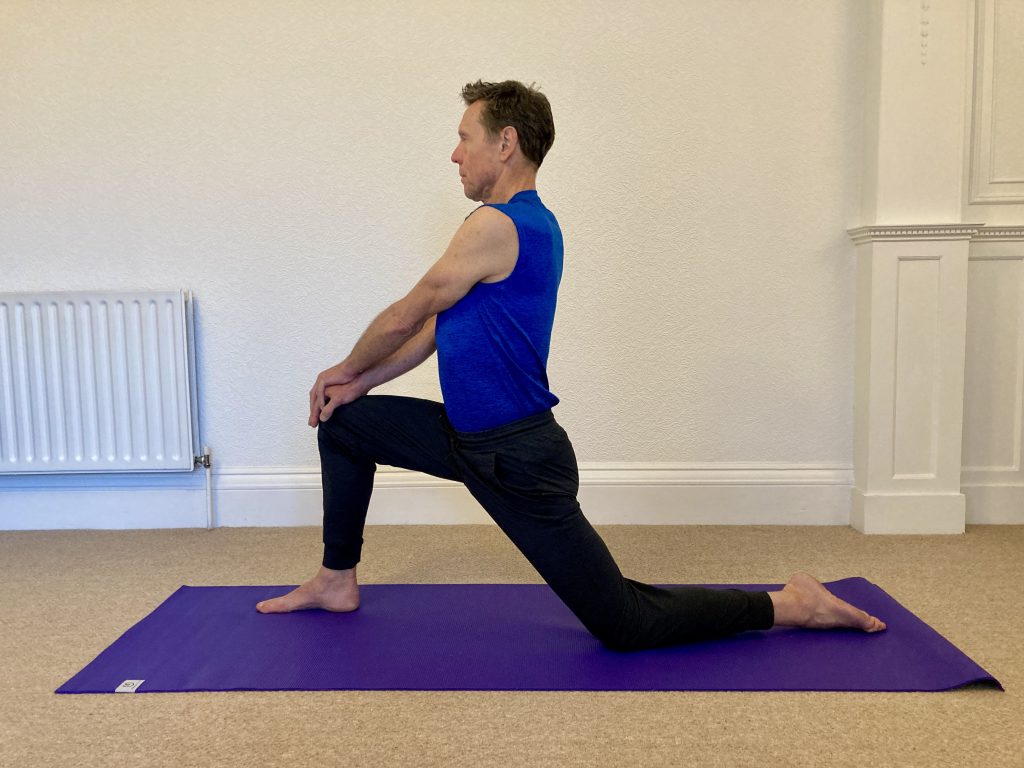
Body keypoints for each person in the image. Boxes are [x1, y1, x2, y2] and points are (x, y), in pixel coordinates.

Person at [256, 80, 886, 650]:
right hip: (466, 439)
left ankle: (790, 605)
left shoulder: (497, 225)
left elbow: (405, 312)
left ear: (505, 143)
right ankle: (336, 579)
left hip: (517, 459)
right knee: (346, 424)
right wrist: (356, 383)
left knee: (625, 624)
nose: (454, 154)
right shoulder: (521, 226)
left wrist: (335, 366)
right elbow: (432, 330)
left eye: (463, 138)